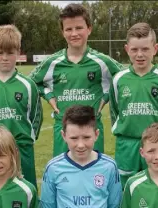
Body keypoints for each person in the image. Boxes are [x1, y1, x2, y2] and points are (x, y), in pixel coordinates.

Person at [29, 3, 124, 156]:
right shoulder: (53, 62)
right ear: (62, 32)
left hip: (91, 129)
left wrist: (106, 96)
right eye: (69, 29)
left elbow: (126, 78)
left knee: (94, 175)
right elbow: (30, 83)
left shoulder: (101, 61)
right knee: (64, 176)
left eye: (79, 28)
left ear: (89, 29)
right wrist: (48, 94)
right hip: (63, 129)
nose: (74, 33)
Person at [0, 24, 43, 188]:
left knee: (26, 192)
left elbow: (35, 117)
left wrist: (25, 139)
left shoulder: (28, 85)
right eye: (0, 53)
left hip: (21, 150)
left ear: (18, 52)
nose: (5, 57)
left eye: (10, 53)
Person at [109, 22, 158, 185]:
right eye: (134, 49)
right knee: (125, 188)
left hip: (155, 146)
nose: (139, 54)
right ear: (127, 49)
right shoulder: (119, 79)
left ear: (155, 49)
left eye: (145, 49)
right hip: (126, 145)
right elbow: (115, 110)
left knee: (154, 185)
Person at [40, 105, 122, 208]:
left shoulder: (109, 167)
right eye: (74, 138)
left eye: (86, 137)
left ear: (96, 134)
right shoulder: (53, 168)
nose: (80, 145)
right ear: (64, 136)